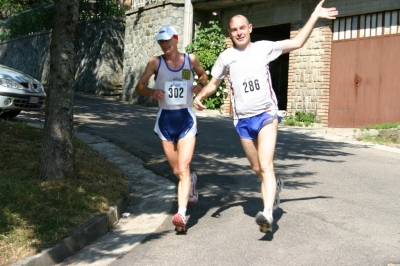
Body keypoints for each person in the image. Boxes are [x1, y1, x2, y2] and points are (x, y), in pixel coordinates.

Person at [193, 0, 338, 233]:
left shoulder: (263, 48)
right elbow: (213, 83)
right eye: (234, 29)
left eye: (242, 28)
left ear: (250, 28)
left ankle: (268, 213)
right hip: (242, 121)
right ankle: (275, 186)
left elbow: (298, 42)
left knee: (266, 164)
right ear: (229, 33)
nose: (239, 32)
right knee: (256, 168)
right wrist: (201, 95)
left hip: (266, 114)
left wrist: (314, 15)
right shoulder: (226, 57)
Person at [135, 25, 207, 233]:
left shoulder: (190, 60)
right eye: (161, 42)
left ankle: (181, 214)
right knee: (177, 170)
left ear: (176, 39)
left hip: (186, 118)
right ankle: (191, 182)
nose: (164, 44)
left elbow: (202, 76)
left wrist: (199, 86)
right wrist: (151, 92)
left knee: (183, 167)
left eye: (167, 40)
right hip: (165, 120)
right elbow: (139, 86)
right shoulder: (155, 62)